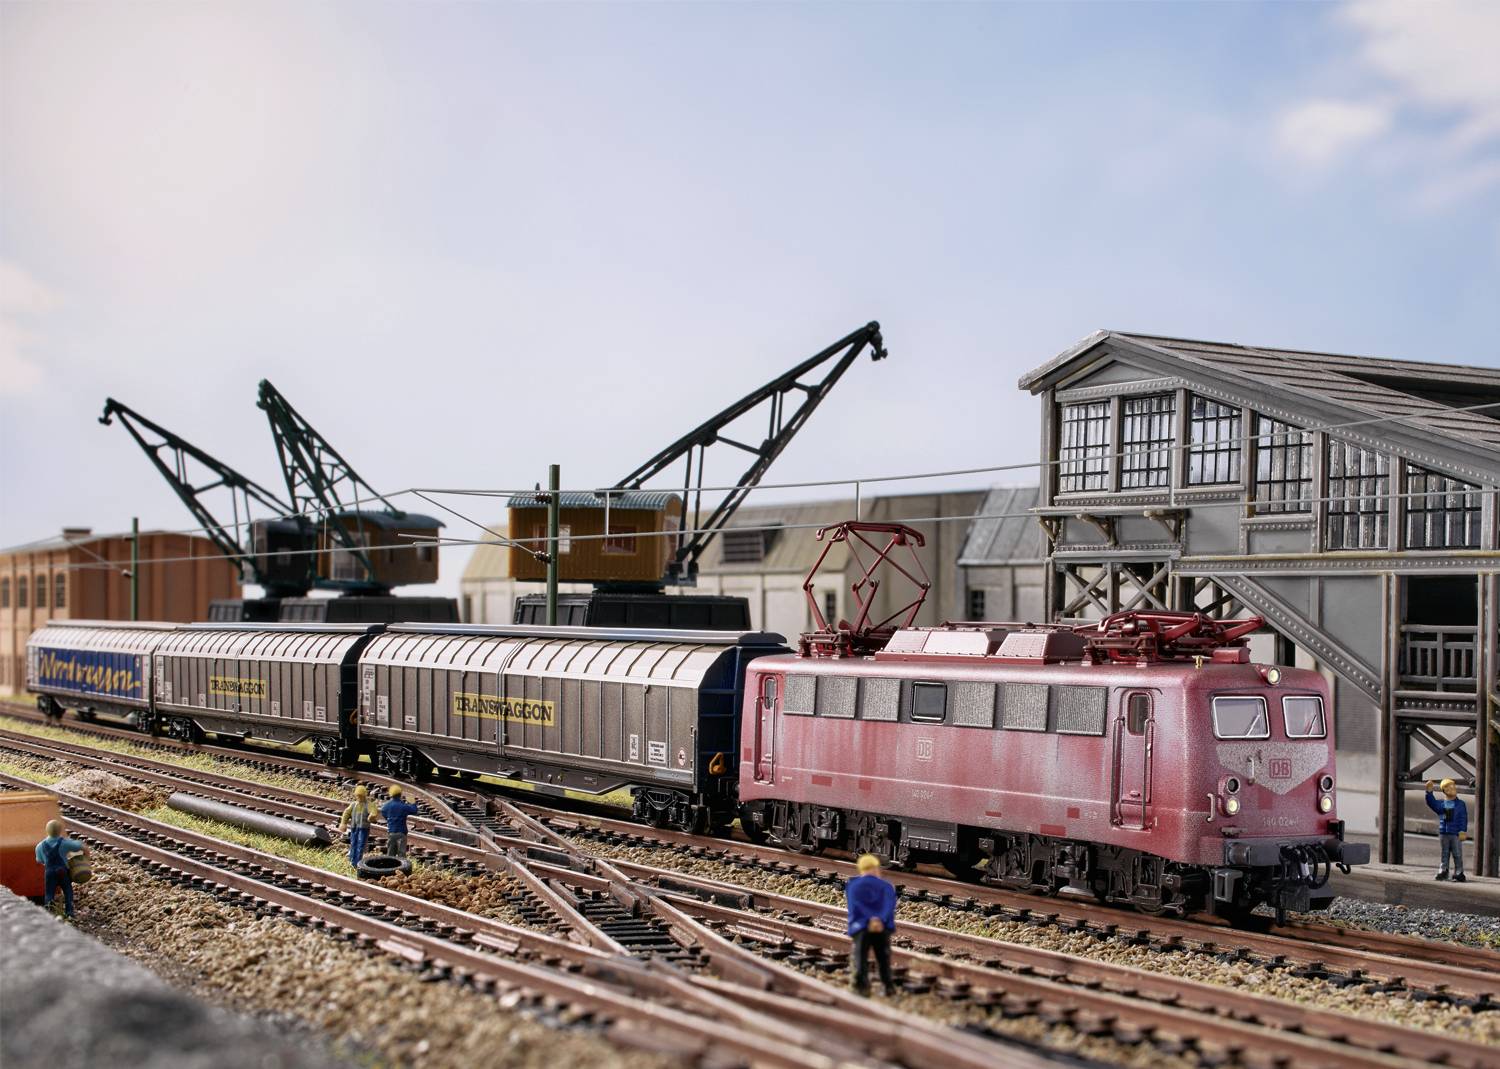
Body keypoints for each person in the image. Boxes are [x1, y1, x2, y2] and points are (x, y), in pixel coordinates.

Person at [845, 854, 897, 996]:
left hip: (861, 927)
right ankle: (888, 987)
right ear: (875, 868)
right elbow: (889, 907)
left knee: (860, 956)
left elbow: (854, 907)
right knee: (883, 958)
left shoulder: (853, 886)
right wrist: (879, 920)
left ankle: (861, 986)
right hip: (881, 927)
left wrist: (868, 920)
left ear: (861, 869)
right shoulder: (887, 887)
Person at [35, 820, 85, 918]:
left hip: (49, 872)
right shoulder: (64, 843)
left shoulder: (40, 846)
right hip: (63, 872)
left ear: (47, 830)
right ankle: (69, 912)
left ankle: (49, 912)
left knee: (49, 893)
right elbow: (78, 846)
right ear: (60, 830)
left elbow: (39, 860)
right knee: (67, 891)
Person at [1426, 778, 1469, 882]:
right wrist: (1429, 792)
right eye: (1448, 787)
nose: (1452, 788)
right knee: (1444, 853)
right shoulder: (1441, 804)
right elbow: (1432, 803)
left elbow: (1463, 818)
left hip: (1455, 833)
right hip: (1444, 833)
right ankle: (1443, 870)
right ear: (1444, 790)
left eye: (1452, 786)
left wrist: (1463, 830)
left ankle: (1459, 872)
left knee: (1457, 853)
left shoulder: (1460, 804)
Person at [338, 785, 376, 868]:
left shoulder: (369, 804)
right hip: (354, 827)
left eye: (360, 796)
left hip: (364, 828)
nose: (359, 797)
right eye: (357, 796)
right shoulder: (353, 805)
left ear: (364, 795)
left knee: (361, 845)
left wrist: (372, 816)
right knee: (353, 844)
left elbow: (373, 812)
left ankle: (357, 863)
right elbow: (346, 813)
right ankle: (352, 862)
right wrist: (343, 823)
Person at [380, 785, 420, 858]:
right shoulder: (403, 806)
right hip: (401, 833)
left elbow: (383, 811)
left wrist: (389, 819)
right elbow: (414, 811)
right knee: (401, 855)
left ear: (391, 794)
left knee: (390, 854)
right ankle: (400, 869)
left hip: (391, 832)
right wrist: (413, 803)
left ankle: (390, 868)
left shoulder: (387, 806)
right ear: (400, 795)